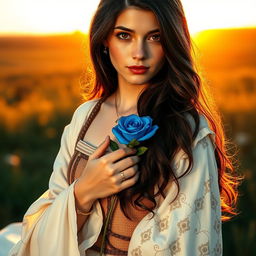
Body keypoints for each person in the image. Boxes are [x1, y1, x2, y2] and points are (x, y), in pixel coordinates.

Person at [9, 0, 240, 255]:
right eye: (124, 35)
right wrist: (84, 192)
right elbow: (44, 225)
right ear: (105, 40)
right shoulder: (85, 115)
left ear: (172, 43)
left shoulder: (189, 131)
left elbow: (186, 245)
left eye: (155, 37)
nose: (139, 52)